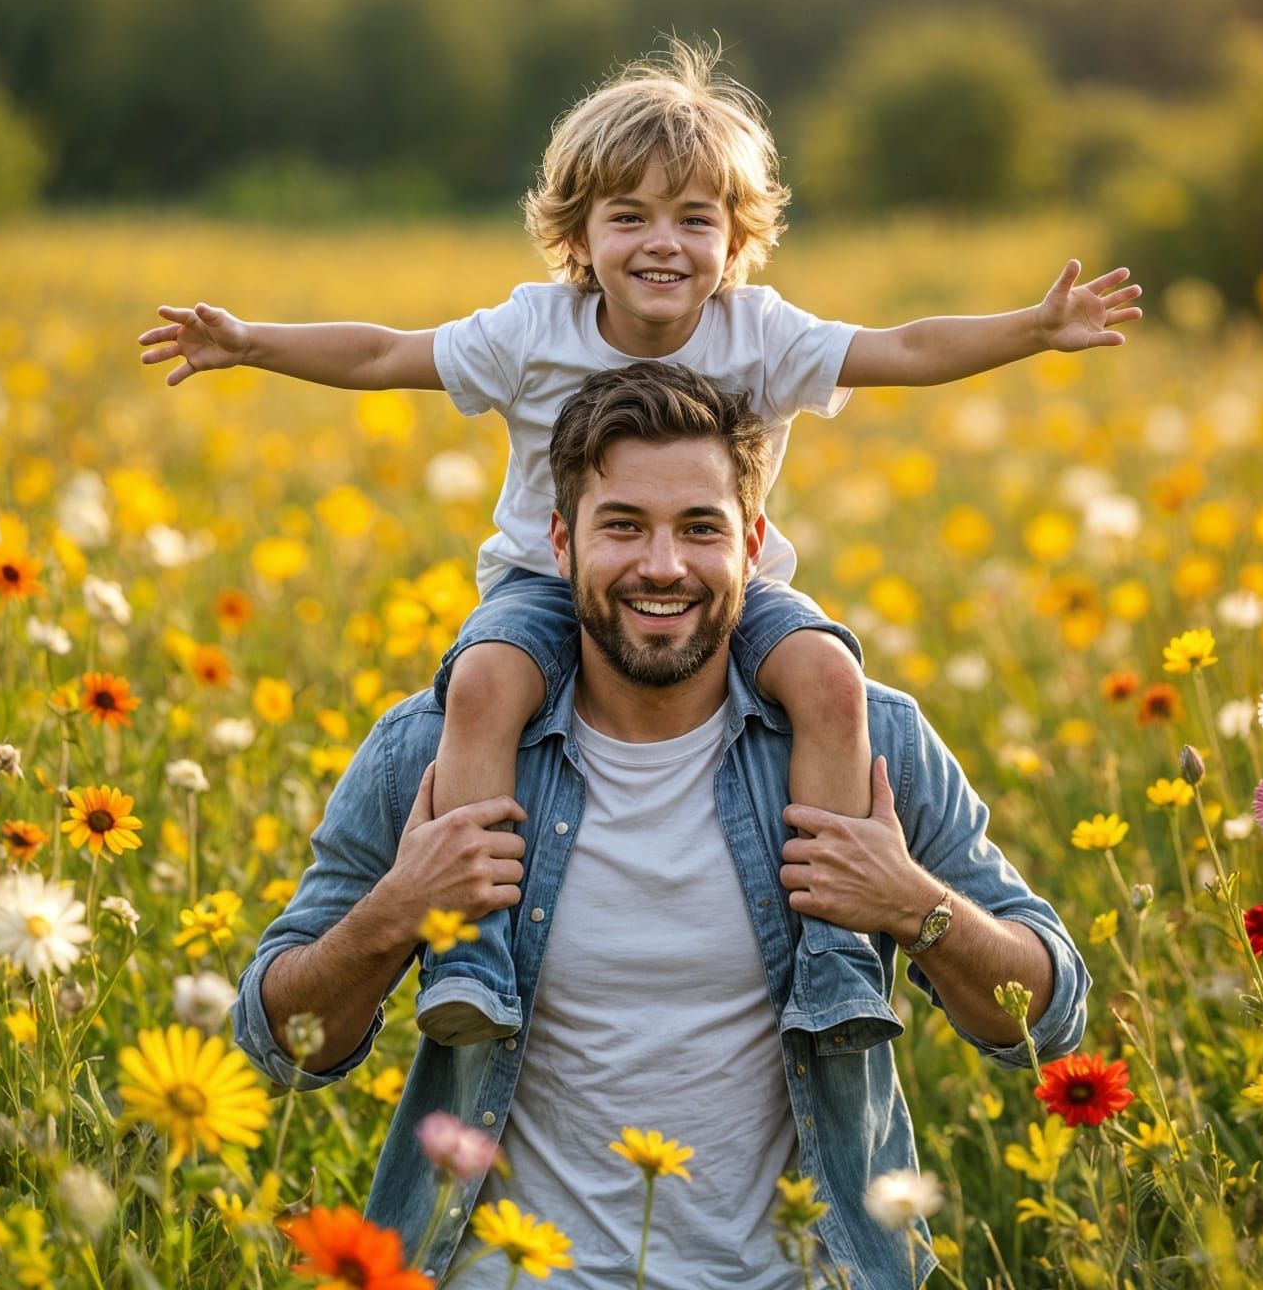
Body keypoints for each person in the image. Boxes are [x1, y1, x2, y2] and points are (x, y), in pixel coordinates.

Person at [145, 37, 1138, 1050]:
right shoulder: (534, 329)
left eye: (694, 218)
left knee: (832, 685)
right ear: (578, 236)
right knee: (483, 686)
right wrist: (249, 342)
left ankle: (837, 965)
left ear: (736, 238)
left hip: (732, 594)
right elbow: (385, 352)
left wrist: (1033, 325)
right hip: (546, 585)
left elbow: (909, 348)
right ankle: (473, 958)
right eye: (629, 216)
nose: (663, 243)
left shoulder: (763, 334)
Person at [232, 360, 1092, 1290]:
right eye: (623, 526)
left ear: (754, 544)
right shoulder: (432, 752)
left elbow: (1052, 1019)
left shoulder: (866, 741)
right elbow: (278, 1045)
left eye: (700, 529)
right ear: (560, 541)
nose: (662, 566)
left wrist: (913, 905)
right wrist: (398, 909)